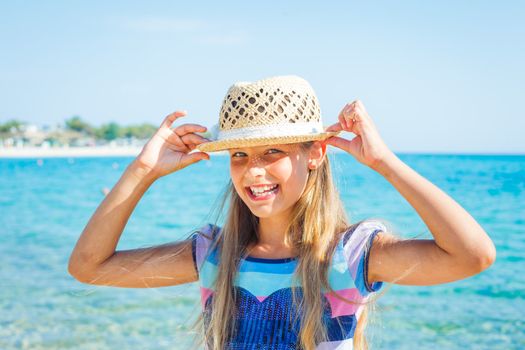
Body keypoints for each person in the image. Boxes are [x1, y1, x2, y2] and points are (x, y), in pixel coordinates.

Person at [68, 75, 496, 349]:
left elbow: (472, 255)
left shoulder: (349, 257)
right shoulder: (214, 256)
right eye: (239, 154)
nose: (253, 170)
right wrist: (143, 170)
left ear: (316, 154)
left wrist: (384, 161)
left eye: (273, 151)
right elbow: (89, 267)